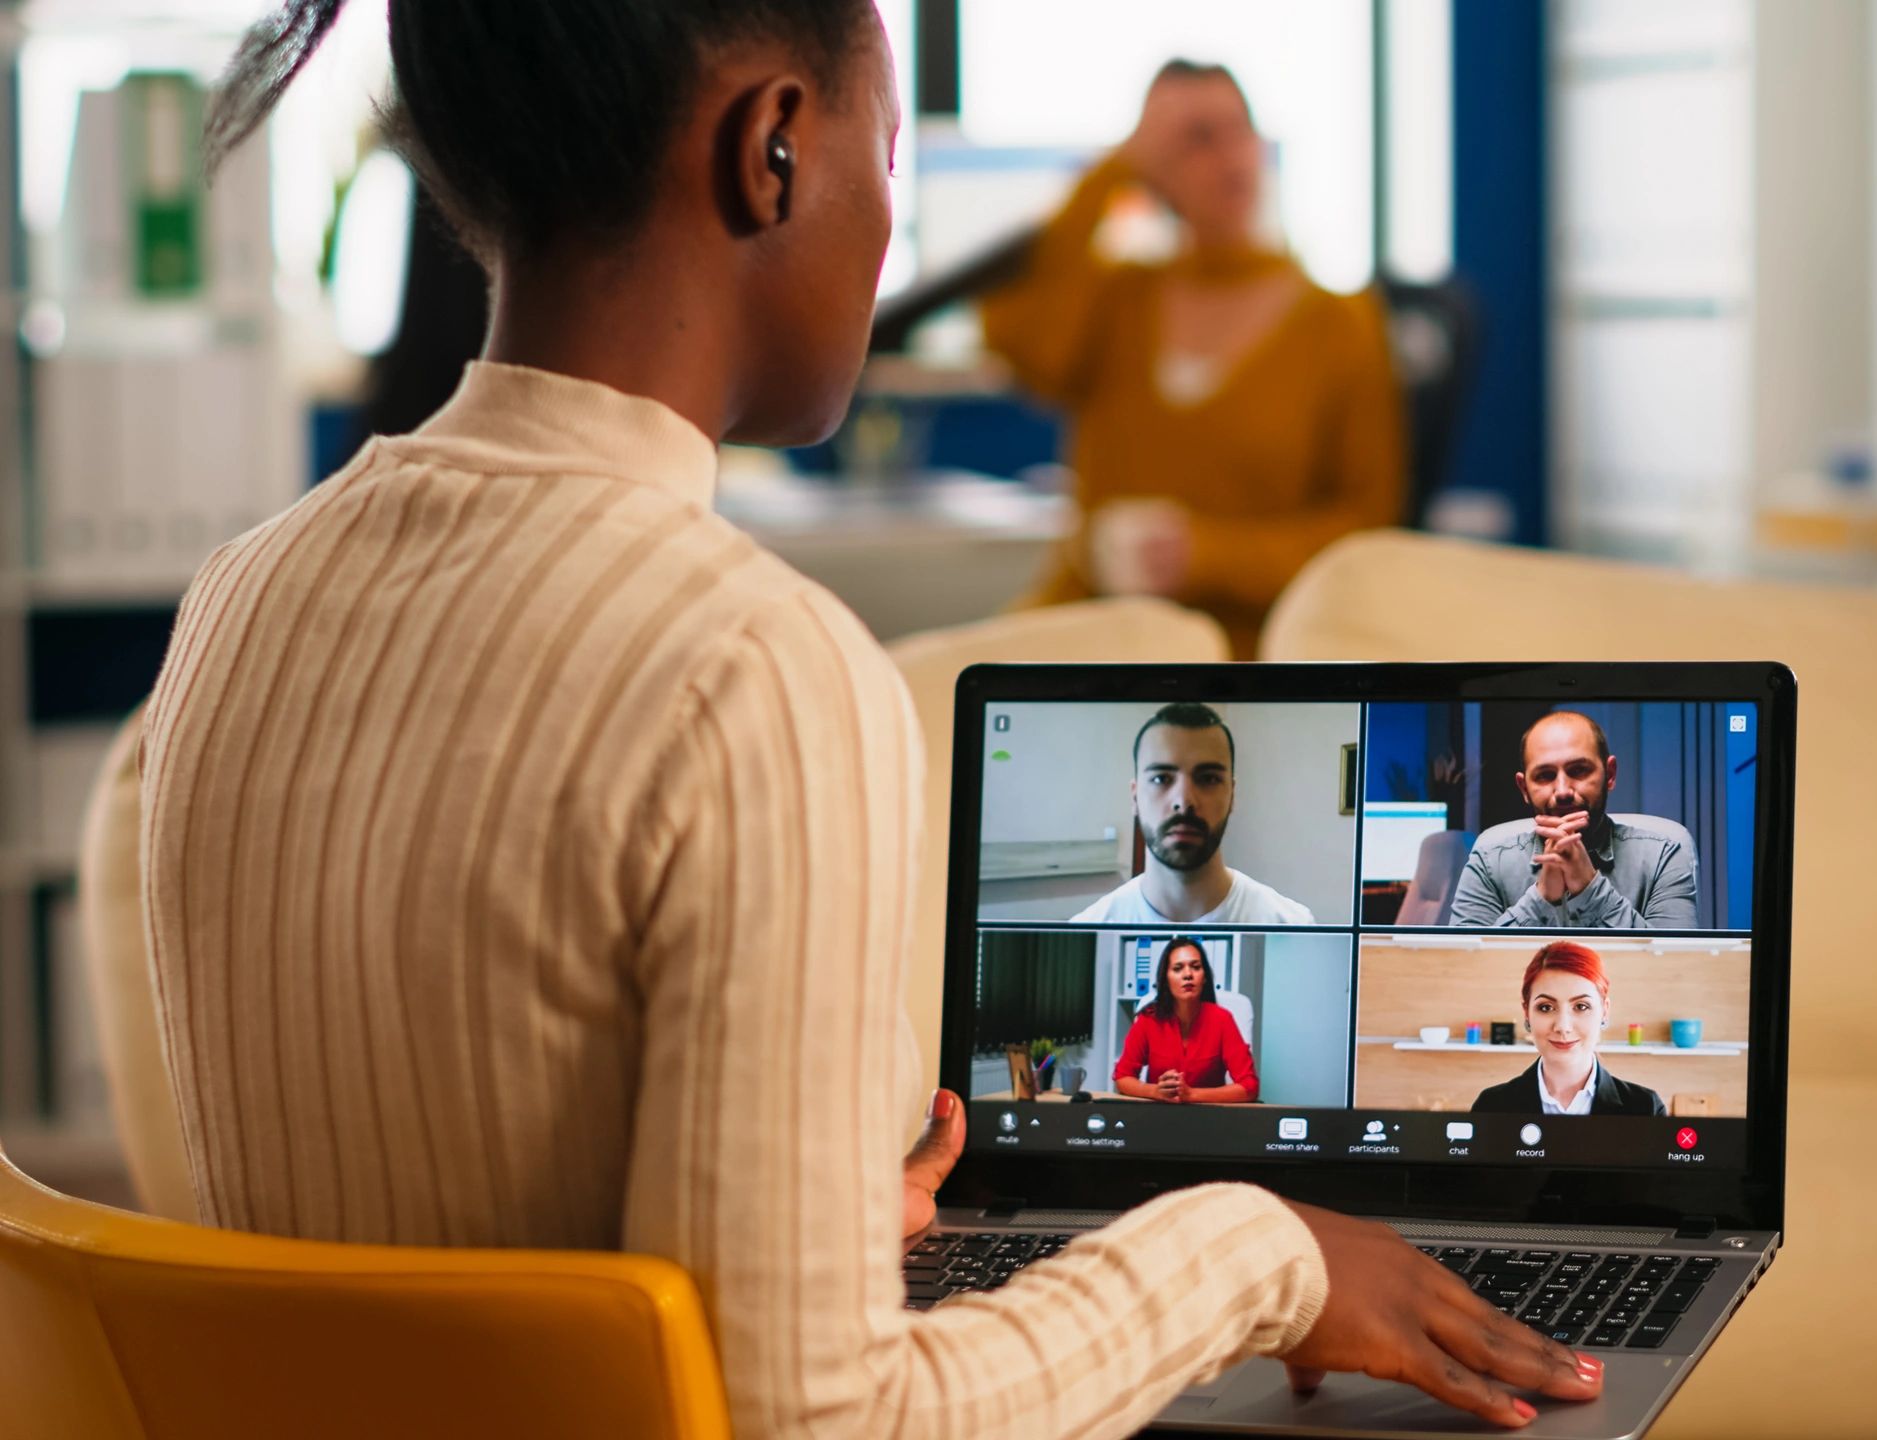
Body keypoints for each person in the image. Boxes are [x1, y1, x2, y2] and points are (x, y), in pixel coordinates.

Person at [145, 4, 1603, 1434]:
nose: (888, 219)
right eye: (888, 152)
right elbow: (824, 1426)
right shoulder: (753, 670)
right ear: (772, 147)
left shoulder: (241, 597)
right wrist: (1263, 1252)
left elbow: (439, 1203)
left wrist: (804, 1228)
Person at [980, 60, 1407, 659]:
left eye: (1239, 130)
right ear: (1154, 168)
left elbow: (1366, 531)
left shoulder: (1339, 324)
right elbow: (1017, 341)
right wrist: (1112, 173)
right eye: (1195, 140)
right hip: (1092, 629)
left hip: (1243, 651)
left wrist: (1206, 555)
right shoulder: (1121, 300)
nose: (1228, 156)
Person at [1447, 712, 1701, 930]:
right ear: (1524, 788)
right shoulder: (1490, 859)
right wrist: (1541, 898)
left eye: (1579, 770)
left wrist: (1590, 889)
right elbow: (1464, 968)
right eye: (1545, 776)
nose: (1563, 790)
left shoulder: (1663, 854)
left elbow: (1677, 967)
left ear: (1609, 775)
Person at [1072, 702, 1317, 925]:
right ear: (1135, 796)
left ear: (1232, 794)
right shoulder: (1087, 928)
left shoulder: (1291, 924)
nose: (1183, 801)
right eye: (1161, 778)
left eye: (1208, 778)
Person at [1471, 943, 1665, 1117]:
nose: (1563, 1027)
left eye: (1581, 1006)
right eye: (1546, 1007)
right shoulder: (1491, 1106)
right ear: (1527, 1012)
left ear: (1604, 1011)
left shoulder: (1645, 1108)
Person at [1113, 938, 1257, 1103]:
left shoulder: (1222, 1019)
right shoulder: (1148, 1019)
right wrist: (1155, 1091)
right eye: (1177, 968)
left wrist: (1191, 1095)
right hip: (1157, 1115)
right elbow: (1122, 1077)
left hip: (1209, 1119)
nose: (1188, 975)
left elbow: (1250, 1086)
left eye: (1195, 967)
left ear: (1204, 977)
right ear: (1166, 979)